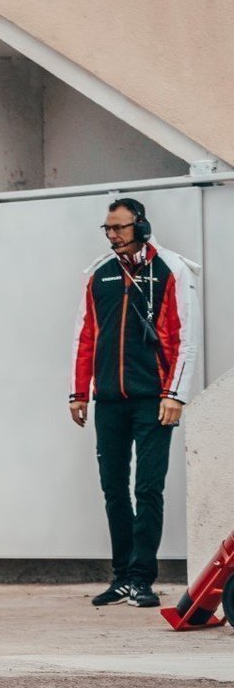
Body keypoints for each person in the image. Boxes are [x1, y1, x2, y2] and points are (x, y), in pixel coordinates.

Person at [70, 197, 200, 609]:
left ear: (141, 226)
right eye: (107, 229)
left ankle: (143, 578)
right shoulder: (99, 274)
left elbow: (186, 337)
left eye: (120, 228)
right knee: (113, 488)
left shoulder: (171, 269)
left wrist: (175, 394)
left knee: (147, 488)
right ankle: (123, 577)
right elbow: (85, 335)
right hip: (109, 400)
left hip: (153, 400)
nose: (112, 235)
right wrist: (79, 391)